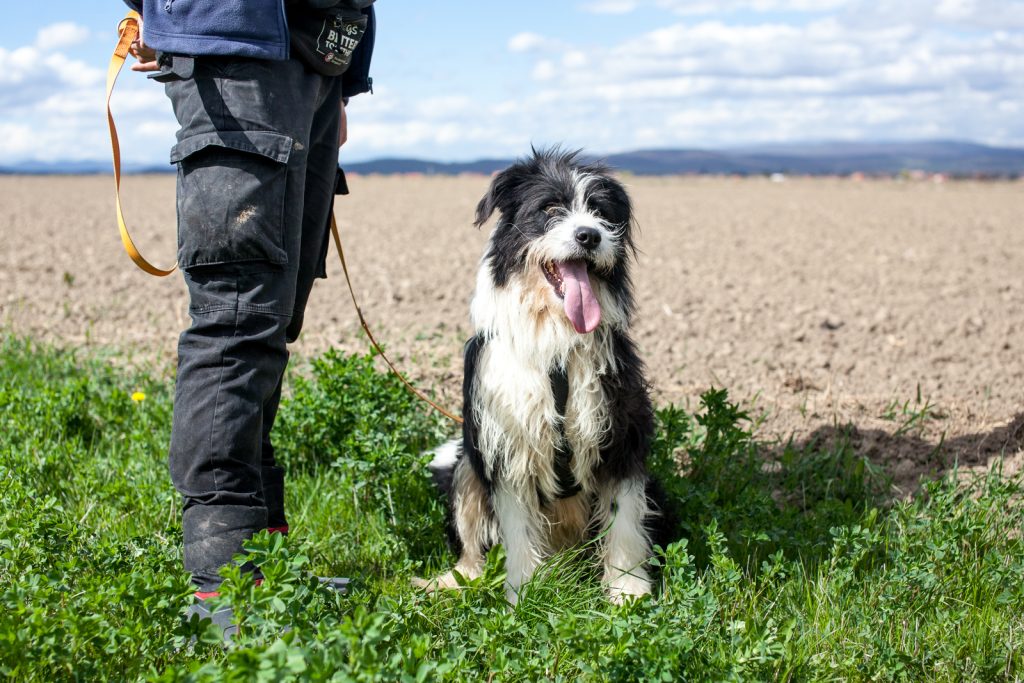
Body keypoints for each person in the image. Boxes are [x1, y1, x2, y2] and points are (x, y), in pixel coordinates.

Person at [123, 0, 376, 630]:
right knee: (237, 318)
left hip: (312, 57)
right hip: (238, 46)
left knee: (271, 321)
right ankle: (224, 586)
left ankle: (265, 562)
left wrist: (336, 80)